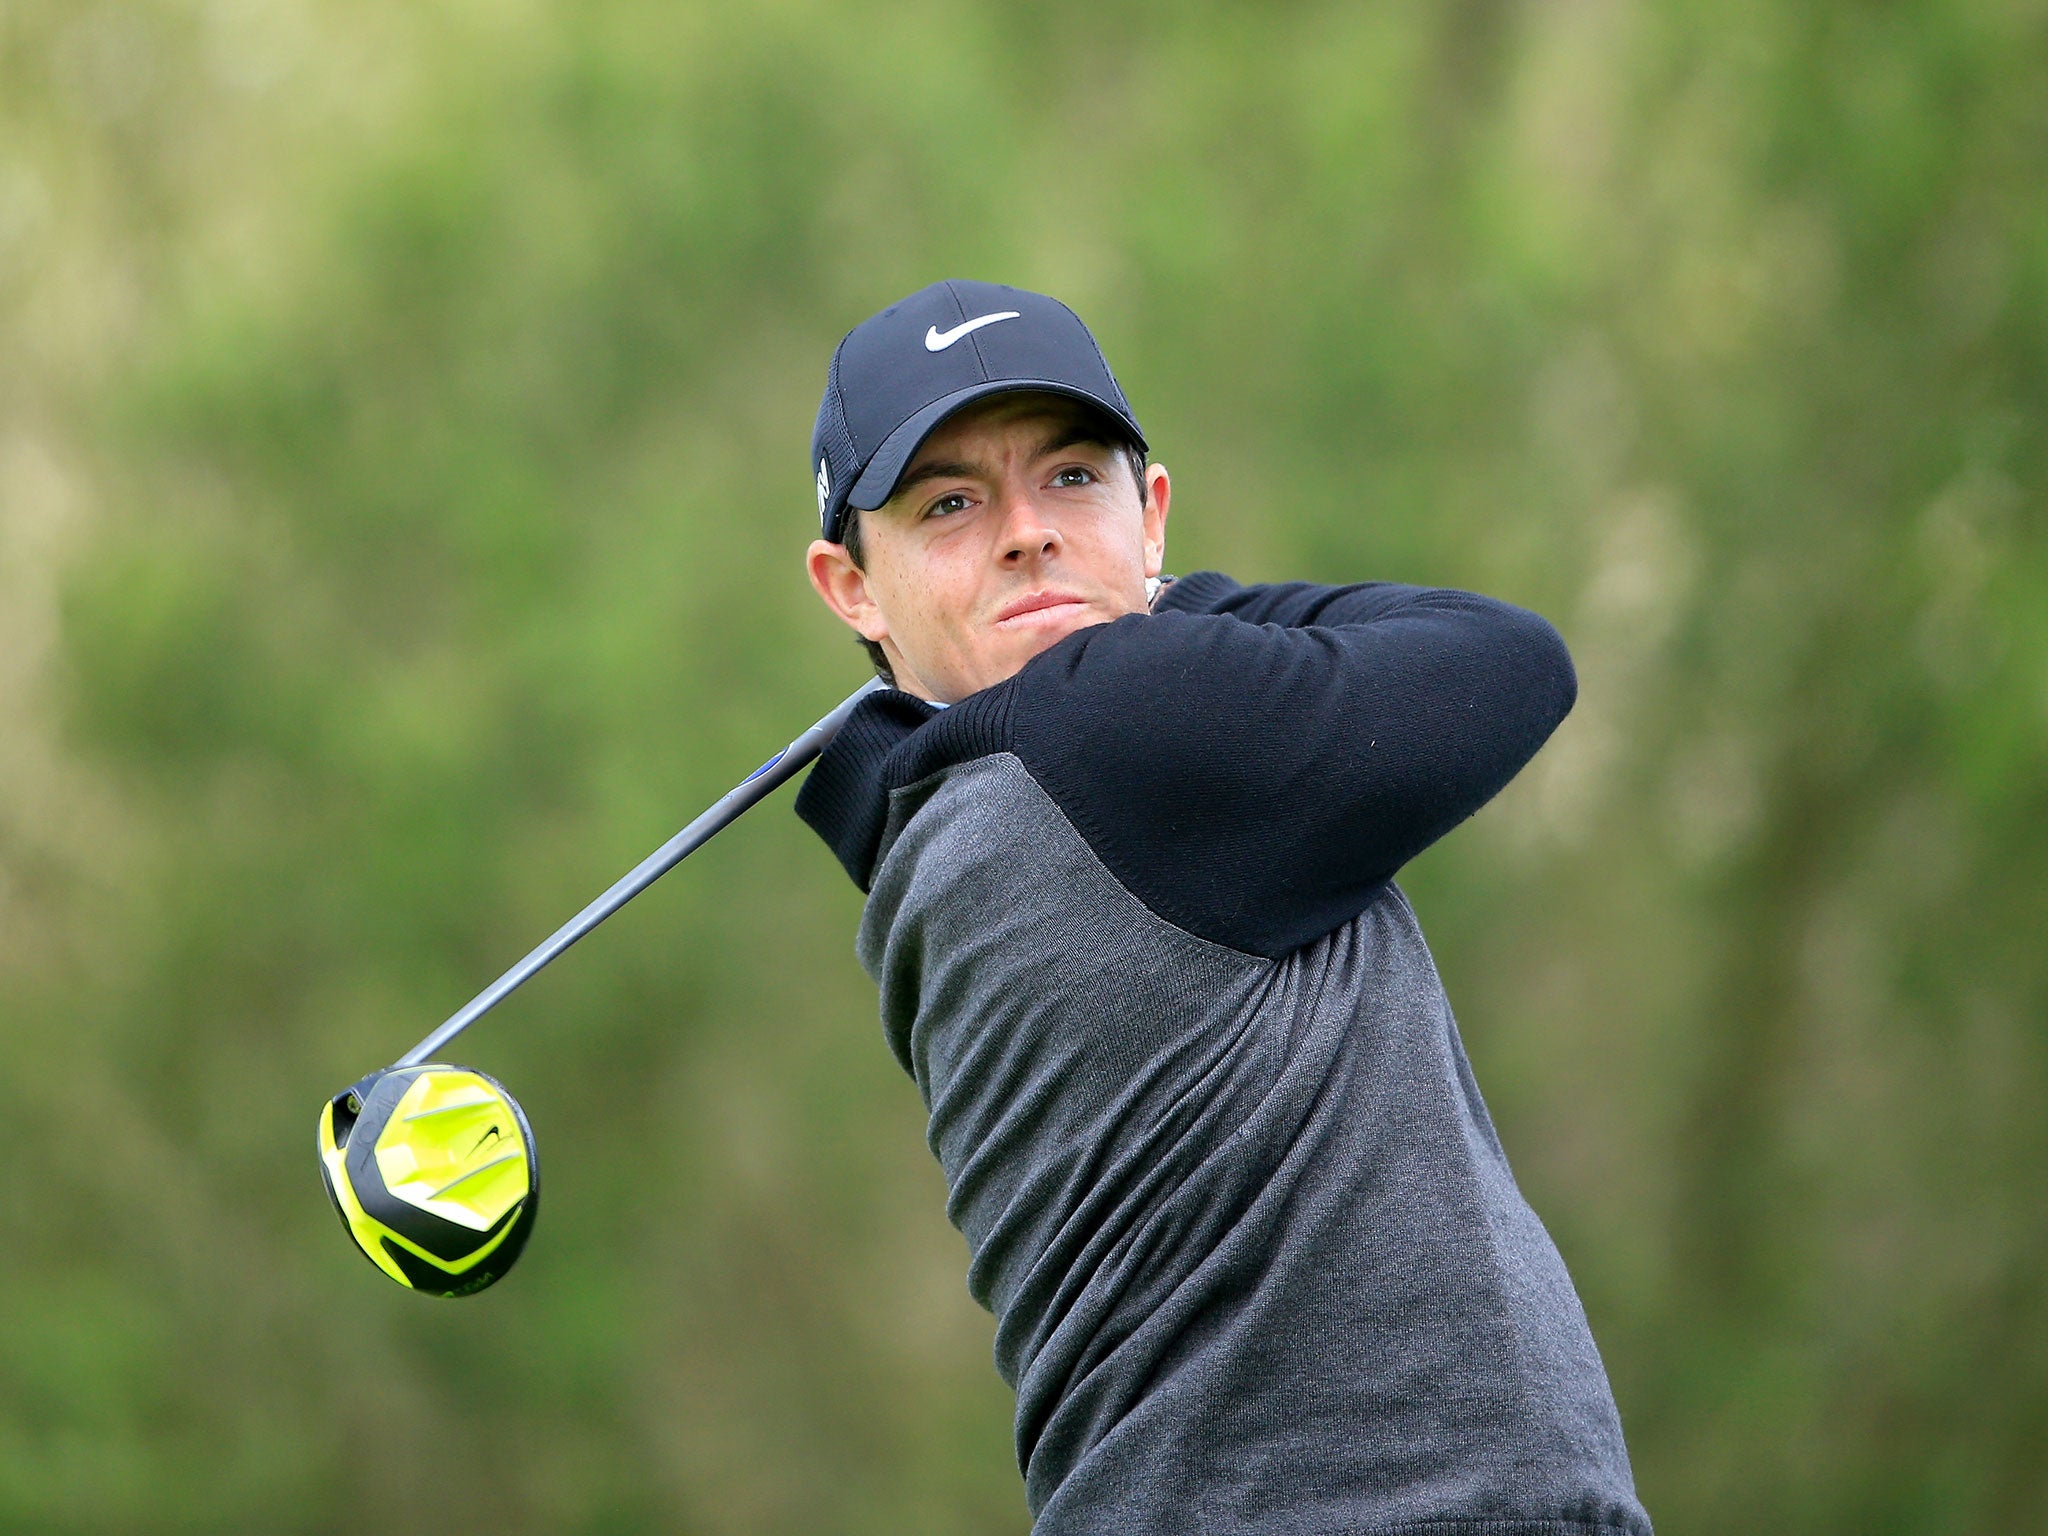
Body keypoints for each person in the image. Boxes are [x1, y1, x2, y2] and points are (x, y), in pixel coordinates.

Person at [796, 279, 1653, 1536]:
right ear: (851, 589)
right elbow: (1508, 660)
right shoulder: (1120, 731)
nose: (1027, 533)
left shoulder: (938, 823)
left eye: (1070, 479)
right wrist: (1147, 600)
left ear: (1150, 511)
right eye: (950, 505)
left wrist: (1128, 612)